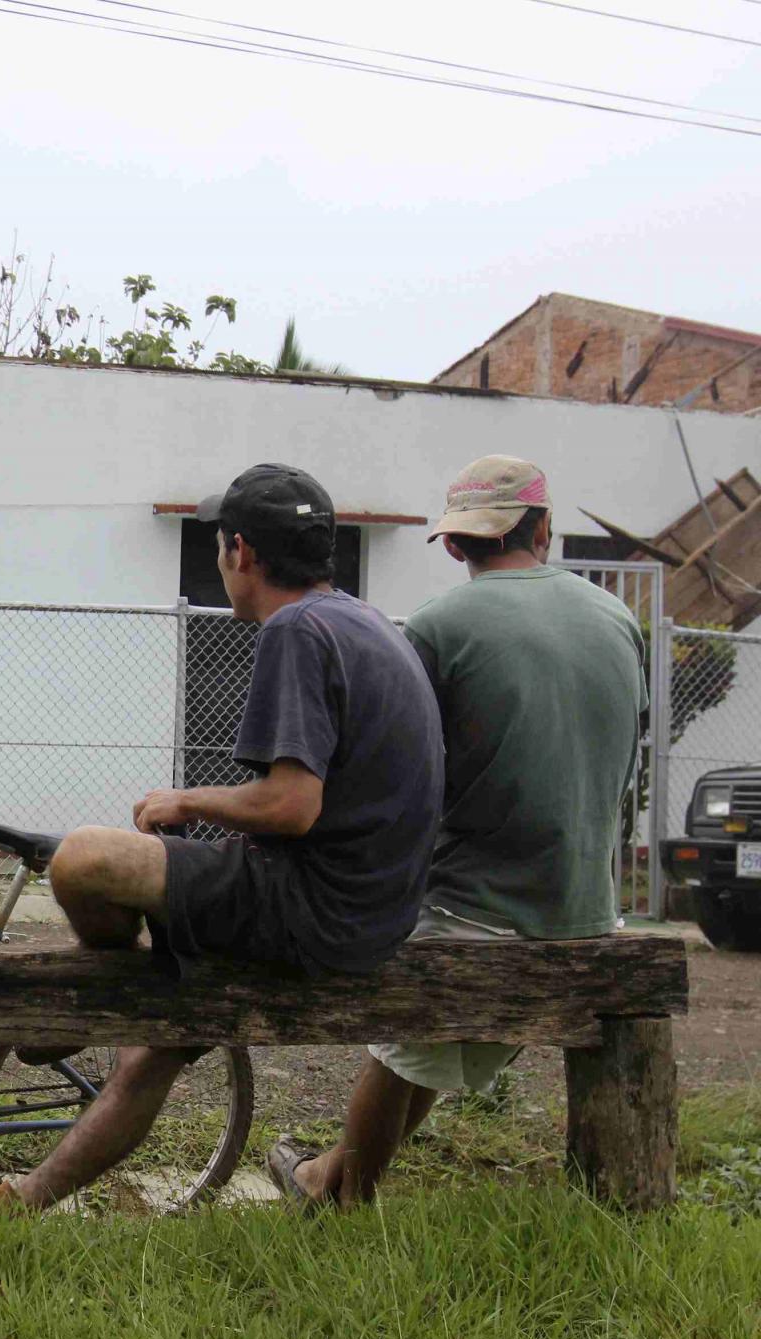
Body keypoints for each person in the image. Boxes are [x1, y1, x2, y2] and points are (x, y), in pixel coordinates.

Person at [0, 462, 443, 1214]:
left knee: (84, 857)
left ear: (241, 552)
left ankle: (99, 994)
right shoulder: (365, 622)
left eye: (218, 547)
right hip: (375, 911)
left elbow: (294, 802)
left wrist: (185, 798)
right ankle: (21, 1198)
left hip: (312, 906)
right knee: (153, 1051)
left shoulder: (296, 631)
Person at [274, 455, 646, 1209]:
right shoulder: (619, 616)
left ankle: (348, 1201)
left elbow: (403, 773)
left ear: (454, 545)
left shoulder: (440, 625)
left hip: (477, 909)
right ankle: (321, 1173)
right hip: (587, 909)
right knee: (432, 1044)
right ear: (543, 528)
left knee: (404, 1042)